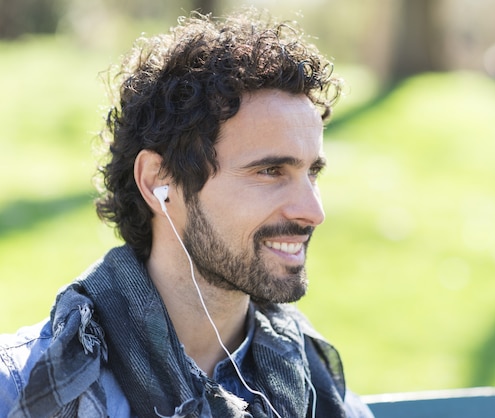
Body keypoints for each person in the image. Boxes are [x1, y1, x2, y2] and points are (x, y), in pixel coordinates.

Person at [0, 9, 374, 418]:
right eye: (270, 171)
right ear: (158, 182)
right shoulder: (24, 388)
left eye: (311, 173)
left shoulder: (317, 390)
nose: (313, 212)